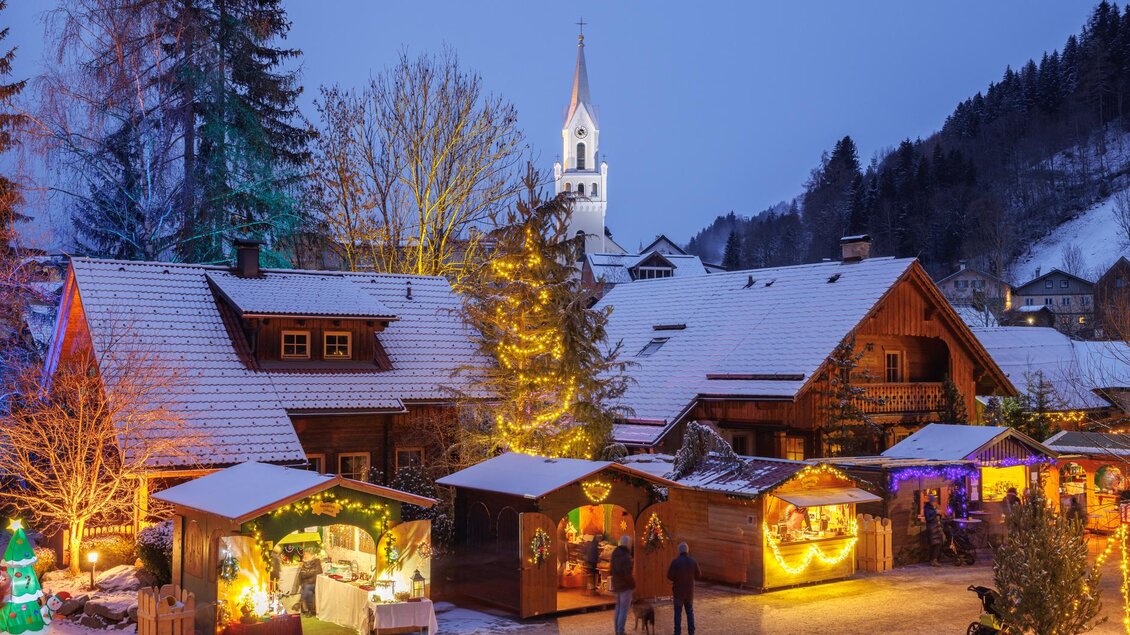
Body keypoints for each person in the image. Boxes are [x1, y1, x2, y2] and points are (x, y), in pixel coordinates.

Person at [667, 542, 702, 635]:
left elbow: (669, 576)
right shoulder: (693, 561)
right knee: (690, 612)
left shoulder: (675, 562)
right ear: (687, 550)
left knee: (677, 614)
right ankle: (691, 632)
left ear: (679, 551)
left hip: (678, 592)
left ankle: (677, 632)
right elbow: (699, 574)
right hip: (689, 592)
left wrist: (676, 577)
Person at [609, 535, 635, 635]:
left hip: (617, 584)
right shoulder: (626, 557)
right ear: (627, 544)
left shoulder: (615, 553)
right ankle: (620, 631)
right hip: (625, 587)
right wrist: (633, 585)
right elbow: (627, 574)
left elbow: (611, 569)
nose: (630, 545)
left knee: (618, 608)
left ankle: (617, 629)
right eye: (630, 543)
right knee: (624, 609)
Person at [297, 546, 323, 616]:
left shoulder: (316, 561)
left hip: (314, 583)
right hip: (306, 583)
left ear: (310, 554)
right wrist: (308, 573)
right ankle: (309, 610)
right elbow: (301, 575)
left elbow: (317, 572)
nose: (304, 555)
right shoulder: (304, 563)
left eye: (306, 554)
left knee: (307, 588)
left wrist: (307, 573)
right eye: (304, 554)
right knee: (307, 589)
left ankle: (301, 604)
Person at [923, 494, 944, 567]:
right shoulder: (927, 508)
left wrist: (939, 513)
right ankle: (933, 560)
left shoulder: (932, 508)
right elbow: (928, 518)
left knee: (937, 544)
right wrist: (936, 512)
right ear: (931, 502)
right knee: (936, 544)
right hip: (932, 529)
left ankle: (935, 559)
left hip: (936, 528)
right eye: (934, 501)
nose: (935, 503)